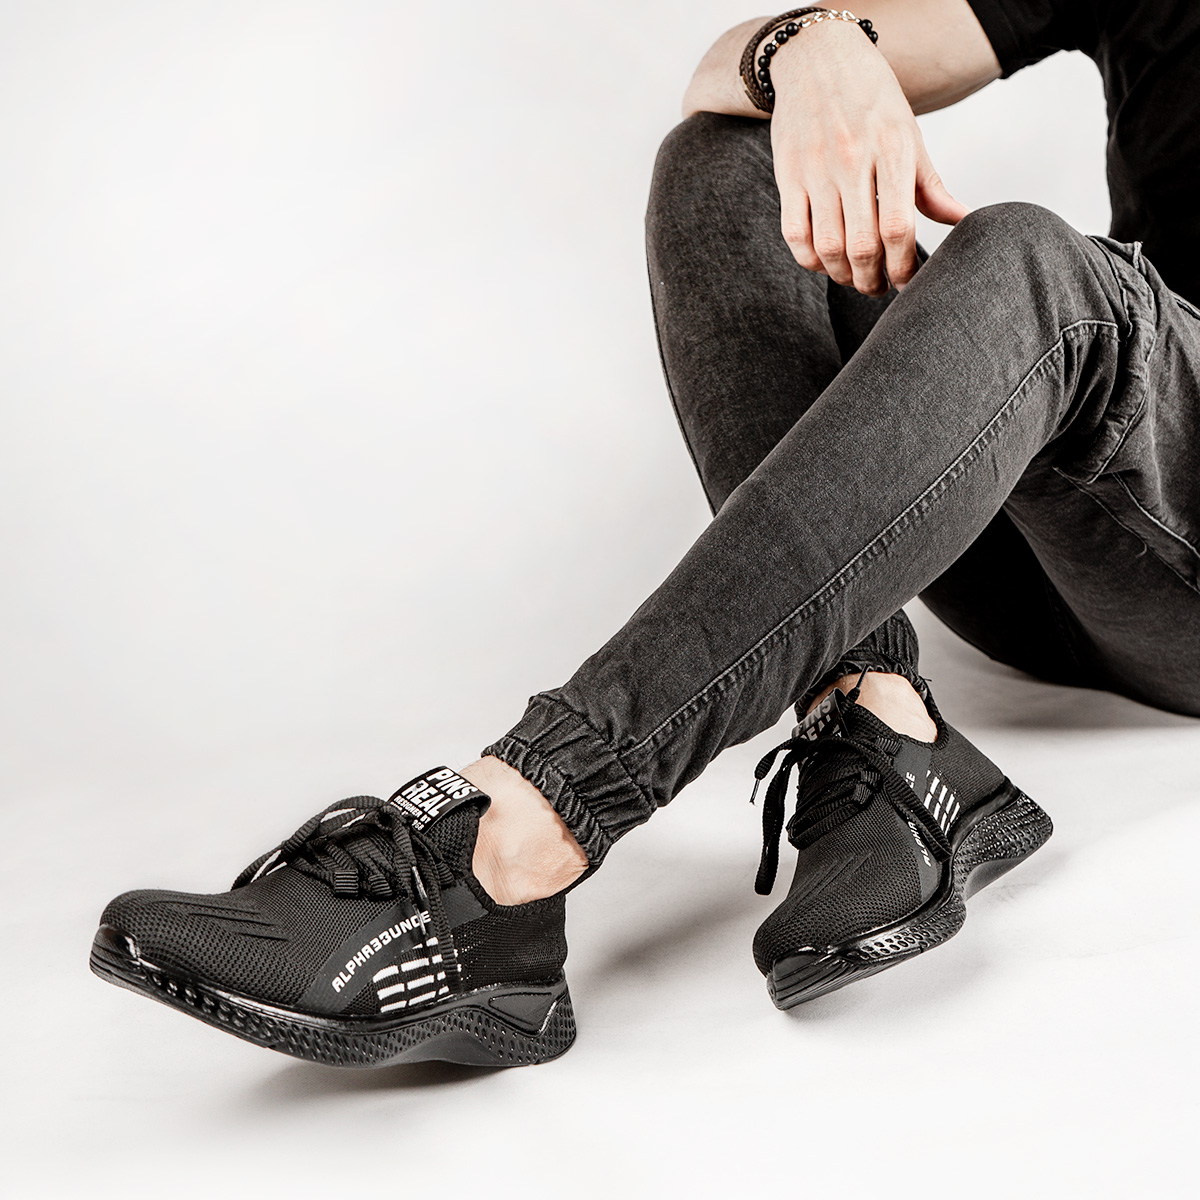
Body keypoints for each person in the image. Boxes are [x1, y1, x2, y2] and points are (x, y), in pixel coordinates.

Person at [90, 1, 1200, 1069]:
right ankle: (878, 723)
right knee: (727, 161)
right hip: (1058, 546)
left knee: (1034, 264)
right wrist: (811, 47)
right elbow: (723, 76)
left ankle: (514, 838)